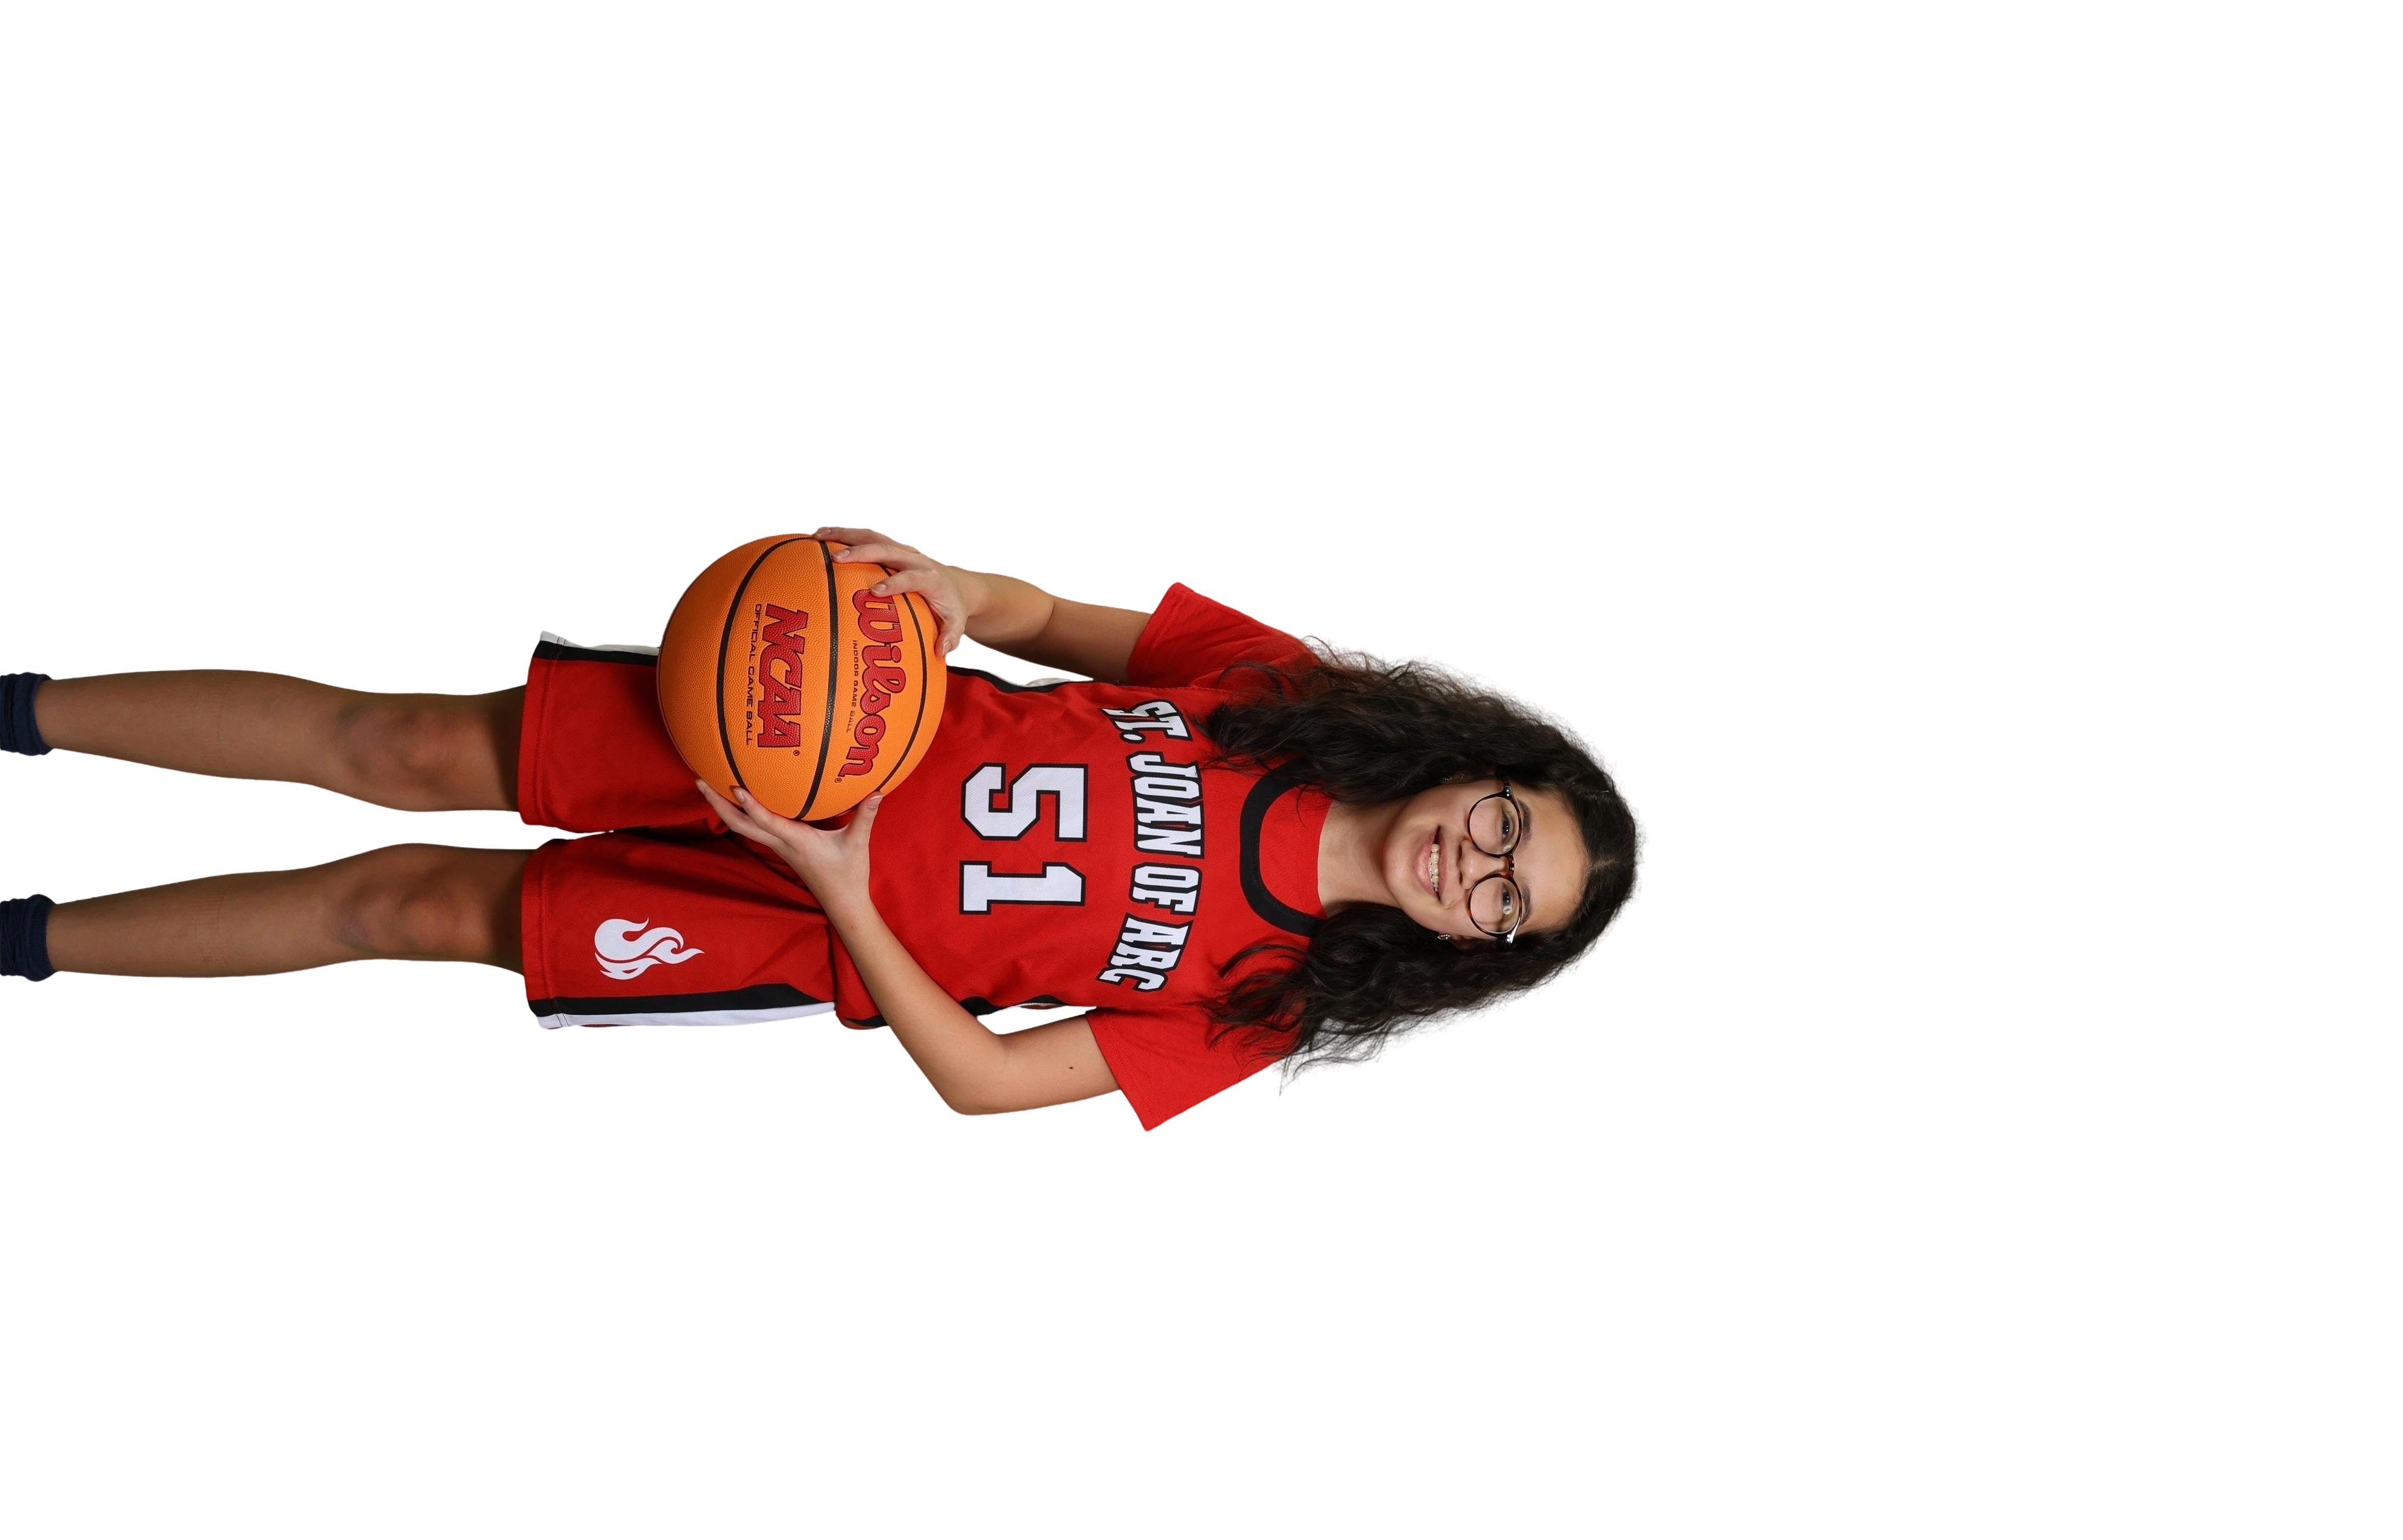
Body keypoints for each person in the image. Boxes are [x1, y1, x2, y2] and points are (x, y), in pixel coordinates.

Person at [1, 525, 1648, 1129]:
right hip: (786, 721)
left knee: (405, 914)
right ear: (1479, 765)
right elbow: (1048, 626)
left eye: (1508, 904)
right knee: (402, 740)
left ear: (1474, 952)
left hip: (810, 922)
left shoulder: (1273, 1010)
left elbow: (990, 1081)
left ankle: (28, 942)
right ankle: (26, 708)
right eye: (1508, 825)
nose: (1478, 867)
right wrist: (953, 590)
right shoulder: (1297, 692)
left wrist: (846, 887)